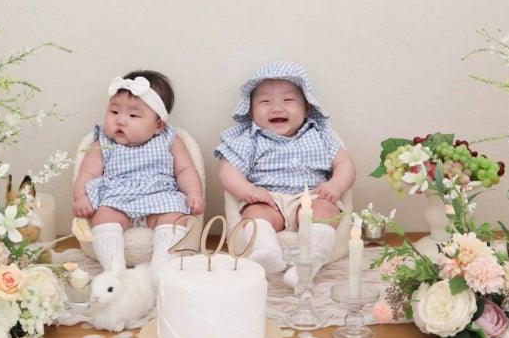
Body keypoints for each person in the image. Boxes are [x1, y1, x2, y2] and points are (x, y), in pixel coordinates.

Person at [215, 61, 356, 286]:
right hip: (269, 200)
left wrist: (335, 186)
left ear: (307, 107)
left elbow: (344, 164)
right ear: (251, 110)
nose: (276, 108)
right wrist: (249, 191)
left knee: (325, 212)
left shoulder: (320, 134)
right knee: (255, 214)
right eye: (265, 102)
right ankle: (268, 252)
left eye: (288, 100)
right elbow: (227, 170)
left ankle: (308, 265)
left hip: (313, 196)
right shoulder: (248, 139)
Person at [72, 70, 205, 278]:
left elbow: (185, 169)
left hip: (160, 195)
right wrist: (81, 197)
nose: (120, 121)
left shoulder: (170, 139)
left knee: (175, 216)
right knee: (104, 216)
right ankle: (115, 272)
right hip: (117, 196)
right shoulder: (101, 143)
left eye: (133, 115)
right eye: (114, 112)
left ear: (158, 125)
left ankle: (160, 269)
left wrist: (194, 193)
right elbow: (87, 173)